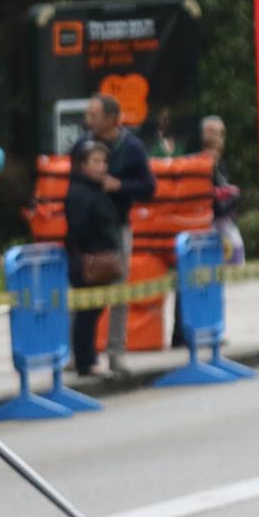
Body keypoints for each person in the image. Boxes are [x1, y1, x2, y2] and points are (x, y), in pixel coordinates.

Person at [84, 93, 154, 375]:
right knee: (83, 291)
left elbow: (149, 187)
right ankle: (81, 353)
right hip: (88, 228)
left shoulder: (132, 147)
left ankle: (116, 353)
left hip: (117, 227)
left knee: (119, 289)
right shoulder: (83, 144)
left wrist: (120, 186)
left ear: (112, 118)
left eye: (94, 115)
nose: (88, 120)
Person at [64, 139, 122, 377]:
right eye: (96, 161)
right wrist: (92, 250)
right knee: (86, 313)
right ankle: (85, 361)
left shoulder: (97, 190)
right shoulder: (80, 192)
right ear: (82, 164)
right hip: (87, 260)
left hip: (100, 257)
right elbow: (79, 227)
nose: (102, 166)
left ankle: (89, 358)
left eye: (104, 161)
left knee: (94, 311)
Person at [203, 115, 245, 263]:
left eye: (221, 133)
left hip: (225, 223)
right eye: (214, 133)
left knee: (235, 252)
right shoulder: (200, 165)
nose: (219, 138)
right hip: (209, 223)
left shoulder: (220, 165)